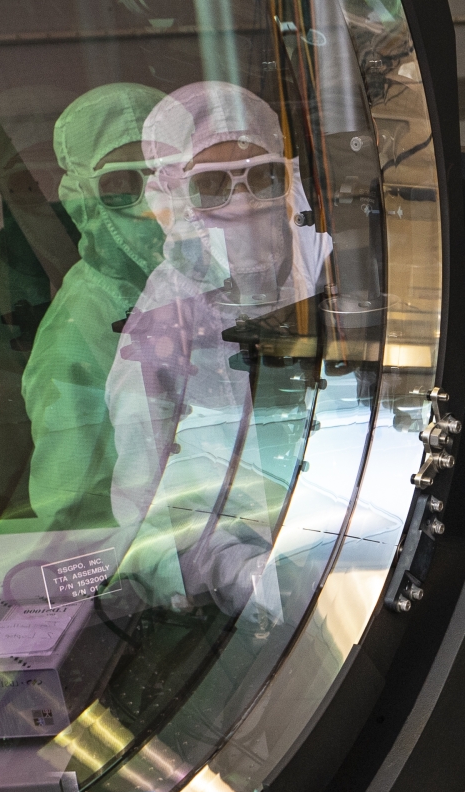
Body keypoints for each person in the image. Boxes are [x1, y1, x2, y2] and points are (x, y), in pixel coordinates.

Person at [103, 82, 331, 618]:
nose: (244, 202)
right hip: (241, 606)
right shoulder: (161, 332)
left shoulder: (328, 284)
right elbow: (150, 521)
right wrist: (240, 576)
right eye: (212, 186)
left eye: (262, 176)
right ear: (173, 198)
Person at [22, 81, 167, 526]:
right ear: (80, 200)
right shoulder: (76, 333)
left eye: (165, 172)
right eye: (122, 184)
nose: (151, 205)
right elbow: (74, 516)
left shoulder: (188, 287)